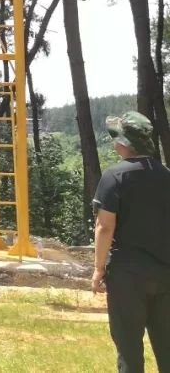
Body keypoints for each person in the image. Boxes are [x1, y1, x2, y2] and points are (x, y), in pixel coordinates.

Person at [92, 111, 170, 373]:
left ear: (123, 143)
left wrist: (98, 269)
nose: (114, 142)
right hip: (165, 274)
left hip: (127, 275)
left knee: (129, 350)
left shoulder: (114, 177)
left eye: (115, 137)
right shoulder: (166, 176)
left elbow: (104, 227)